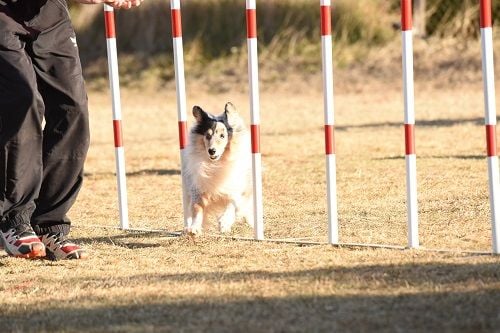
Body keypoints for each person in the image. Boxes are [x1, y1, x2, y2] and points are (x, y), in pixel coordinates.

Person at [0, 0, 143, 260]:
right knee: (24, 102)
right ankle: (14, 218)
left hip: (49, 14)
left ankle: (49, 223)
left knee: (73, 108)